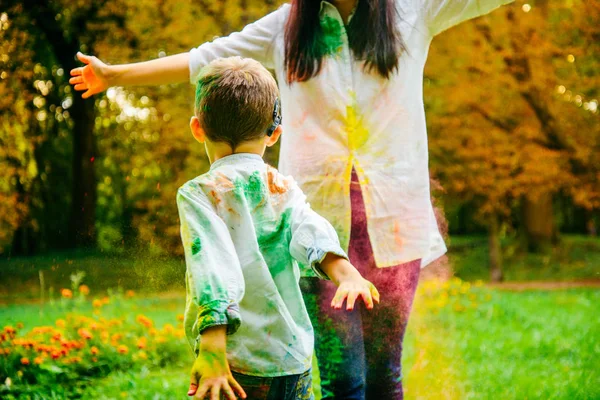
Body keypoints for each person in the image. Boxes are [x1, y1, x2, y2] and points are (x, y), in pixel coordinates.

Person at [69, 1, 515, 398]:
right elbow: (207, 57)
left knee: (385, 376)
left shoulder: (411, 12)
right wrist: (114, 75)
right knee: (342, 380)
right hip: (314, 224)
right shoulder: (287, 25)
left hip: (395, 222)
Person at [176, 56, 379, 400]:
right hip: (292, 359)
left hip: (237, 362)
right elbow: (309, 229)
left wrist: (212, 347)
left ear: (198, 128)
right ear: (274, 134)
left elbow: (211, 264)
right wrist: (346, 273)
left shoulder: (200, 193)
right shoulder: (281, 187)